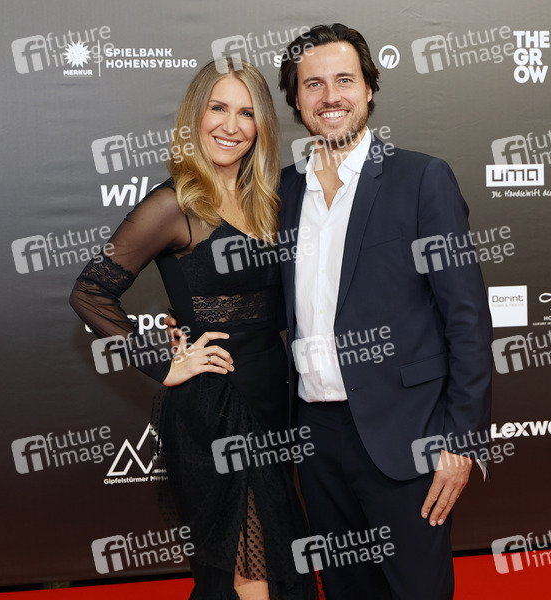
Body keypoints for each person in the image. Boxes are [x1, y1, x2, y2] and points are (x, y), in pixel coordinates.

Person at [70, 60, 317, 600]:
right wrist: (164, 362)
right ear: (195, 116)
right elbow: (89, 291)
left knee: (280, 556)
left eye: (246, 113)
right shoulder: (174, 203)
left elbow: (275, 304)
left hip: (274, 395)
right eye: (218, 108)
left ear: (261, 125)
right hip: (218, 402)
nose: (231, 125)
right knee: (251, 567)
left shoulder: (269, 198)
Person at [275, 24, 493, 599]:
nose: (331, 97)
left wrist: (461, 442)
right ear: (296, 99)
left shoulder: (420, 178)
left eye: (345, 80)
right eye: (313, 84)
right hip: (316, 440)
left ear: (369, 88)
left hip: (407, 436)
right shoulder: (283, 192)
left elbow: (467, 319)